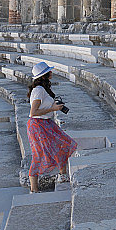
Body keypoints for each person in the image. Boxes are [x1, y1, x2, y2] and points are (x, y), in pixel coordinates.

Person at [27, 61, 77, 192]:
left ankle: (62, 175)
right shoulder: (38, 90)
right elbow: (33, 112)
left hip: (45, 123)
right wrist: (53, 108)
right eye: (49, 71)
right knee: (38, 155)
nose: (51, 72)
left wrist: (54, 106)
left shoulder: (42, 89)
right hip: (38, 125)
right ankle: (34, 189)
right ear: (44, 75)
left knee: (62, 144)